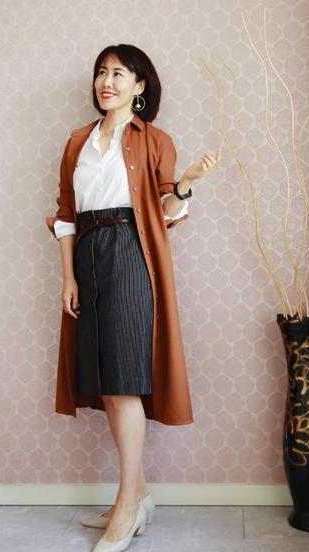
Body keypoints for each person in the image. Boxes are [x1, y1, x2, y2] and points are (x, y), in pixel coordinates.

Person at [46, 44, 221, 552]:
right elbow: (65, 214)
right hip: (87, 254)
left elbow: (164, 213)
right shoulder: (77, 141)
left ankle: (126, 504)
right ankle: (138, 493)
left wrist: (186, 184)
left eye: (119, 74)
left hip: (130, 252)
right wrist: (68, 278)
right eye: (102, 72)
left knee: (123, 383)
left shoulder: (155, 140)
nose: (107, 82)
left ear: (139, 86)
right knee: (106, 384)